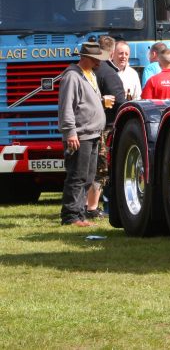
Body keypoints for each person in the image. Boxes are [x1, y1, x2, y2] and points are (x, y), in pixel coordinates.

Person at [58, 41, 112, 227]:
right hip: (80, 136)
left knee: (88, 177)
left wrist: (101, 100)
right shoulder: (72, 76)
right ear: (86, 58)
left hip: (92, 134)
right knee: (77, 176)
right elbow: (67, 107)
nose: (100, 63)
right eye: (96, 59)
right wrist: (70, 132)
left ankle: (79, 215)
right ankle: (71, 217)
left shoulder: (89, 74)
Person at [85, 35, 125, 219]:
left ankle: (86, 206)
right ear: (111, 52)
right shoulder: (109, 73)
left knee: (89, 168)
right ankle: (92, 208)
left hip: (89, 126)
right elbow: (120, 102)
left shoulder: (88, 70)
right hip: (106, 127)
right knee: (101, 170)